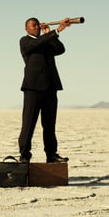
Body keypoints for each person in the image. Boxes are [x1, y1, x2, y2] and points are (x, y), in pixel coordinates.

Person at [17, 17, 72, 163]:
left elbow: (60, 50)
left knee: (49, 125)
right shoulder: (25, 41)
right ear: (26, 28)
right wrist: (57, 30)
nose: (37, 28)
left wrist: (51, 34)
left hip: (50, 88)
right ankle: (24, 155)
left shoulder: (46, 41)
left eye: (38, 26)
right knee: (29, 123)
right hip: (33, 88)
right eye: (33, 26)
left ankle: (51, 154)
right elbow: (35, 44)